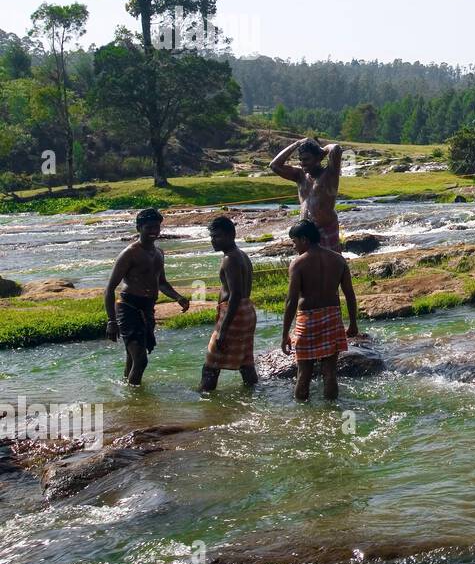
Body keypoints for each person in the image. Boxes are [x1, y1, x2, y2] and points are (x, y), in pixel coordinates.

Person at [105, 208, 190, 385]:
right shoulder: (130, 253)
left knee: (133, 356)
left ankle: (127, 392)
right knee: (141, 360)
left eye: (156, 228)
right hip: (128, 308)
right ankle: (136, 406)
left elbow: (162, 282)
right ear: (138, 228)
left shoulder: (159, 253)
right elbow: (109, 289)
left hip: (148, 307)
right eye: (149, 228)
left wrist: (178, 297)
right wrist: (111, 322)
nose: (154, 232)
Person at [280, 219, 359, 401]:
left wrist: (285, 334)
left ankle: (302, 415)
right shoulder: (338, 260)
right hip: (332, 317)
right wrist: (353, 323)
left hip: (307, 320)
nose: (294, 247)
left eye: (295, 242)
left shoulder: (298, 263)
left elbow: (291, 301)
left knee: (304, 374)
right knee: (330, 372)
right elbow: (349, 294)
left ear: (305, 239)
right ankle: (332, 411)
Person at [201, 216, 258, 392]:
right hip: (246, 310)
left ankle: (204, 398)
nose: (213, 241)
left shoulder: (230, 258)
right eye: (212, 237)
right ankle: (254, 393)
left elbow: (235, 295)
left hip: (235, 312)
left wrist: (223, 330)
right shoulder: (241, 254)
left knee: (211, 364)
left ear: (231, 235)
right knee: (245, 361)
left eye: (217, 236)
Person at [270, 137, 344, 251]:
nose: (302, 163)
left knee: (332, 266)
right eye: (300, 160)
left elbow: (336, 149)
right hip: (305, 232)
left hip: (325, 229)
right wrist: (297, 143)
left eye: (306, 159)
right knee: (308, 266)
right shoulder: (300, 176)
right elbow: (274, 165)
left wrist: (322, 150)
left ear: (318, 158)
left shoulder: (329, 174)